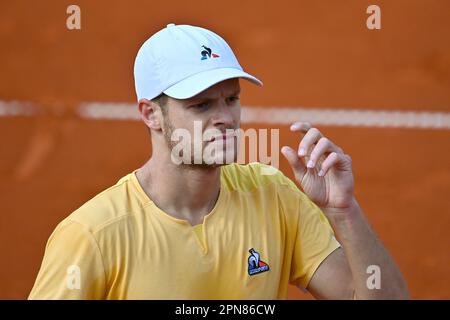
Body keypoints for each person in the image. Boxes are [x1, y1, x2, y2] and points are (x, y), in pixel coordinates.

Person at [29, 24, 408, 299]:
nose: (225, 117)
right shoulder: (92, 235)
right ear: (151, 114)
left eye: (232, 99)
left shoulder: (273, 197)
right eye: (201, 105)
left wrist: (344, 212)